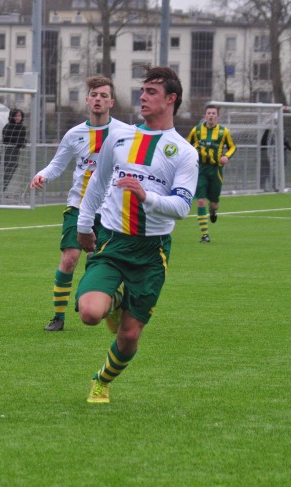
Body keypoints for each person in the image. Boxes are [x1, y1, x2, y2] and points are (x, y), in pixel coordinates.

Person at [75, 66, 198, 404]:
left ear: (171, 99)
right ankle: (114, 301)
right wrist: (84, 226)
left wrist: (147, 198)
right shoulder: (119, 136)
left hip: (151, 253)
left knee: (129, 336)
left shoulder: (184, 152)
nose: (143, 97)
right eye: (142, 91)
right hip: (114, 241)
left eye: (152, 92)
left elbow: (182, 206)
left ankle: (102, 380)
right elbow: (97, 184)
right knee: (89, 313)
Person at [30, 76, 127, 332]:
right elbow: (57, 164)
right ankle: (58, 317)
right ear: (87, 100)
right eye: (94, 94)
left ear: (111, 102)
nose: (98, 99)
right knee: (70, 258)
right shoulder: (74, 134)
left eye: (103, 95)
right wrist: (42, 175)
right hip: (78, 205)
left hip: (108, 210)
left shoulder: (123, 133)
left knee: (99, 261)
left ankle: (91, 302)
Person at [185, 105, 236, 243]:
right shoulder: (196, 130)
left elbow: (232, 147)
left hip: (216, 171)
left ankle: (213, 210)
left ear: (217, 117)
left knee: (213, 203)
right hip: (200, 170)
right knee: (201, 201)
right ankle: (205, 235)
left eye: (214, 113)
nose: (211, 115)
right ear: (205, 116)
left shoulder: (223, 131)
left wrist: (226, 156)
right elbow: (186, 145)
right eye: (209, 113)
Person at [0, 109, 27, 205]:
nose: (18, 118)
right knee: (4, 178)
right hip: (7, 156)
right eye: (16, 116)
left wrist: (21, 143)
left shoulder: (22, 128)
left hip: (15, 156)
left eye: (19, 116)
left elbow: (22, 141)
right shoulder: (8, 127)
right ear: (12, 116)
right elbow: (7, 141)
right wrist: (19, 143)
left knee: (7, 179)